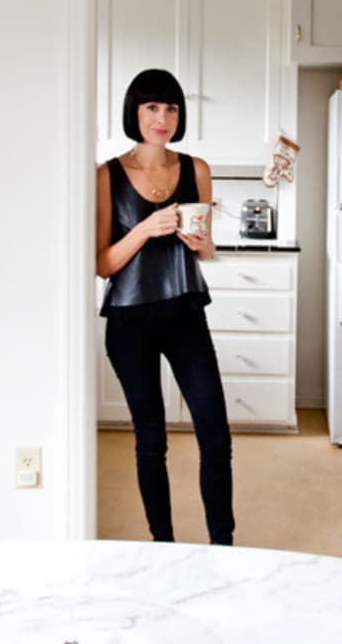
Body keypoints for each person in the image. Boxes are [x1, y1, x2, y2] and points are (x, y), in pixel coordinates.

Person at [96, 68, 235, 545]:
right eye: (152, 107)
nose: (162, 118)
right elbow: (101, 264)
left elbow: (206, 251)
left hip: (185, 314)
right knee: (151, 441)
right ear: (134, 112)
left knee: (215, 436)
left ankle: (223, 545)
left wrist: (203, 245)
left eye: (171, 108)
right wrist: (144, 230)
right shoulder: (107, 176)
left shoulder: (197, 170)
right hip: (129, 321)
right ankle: (163, 546)